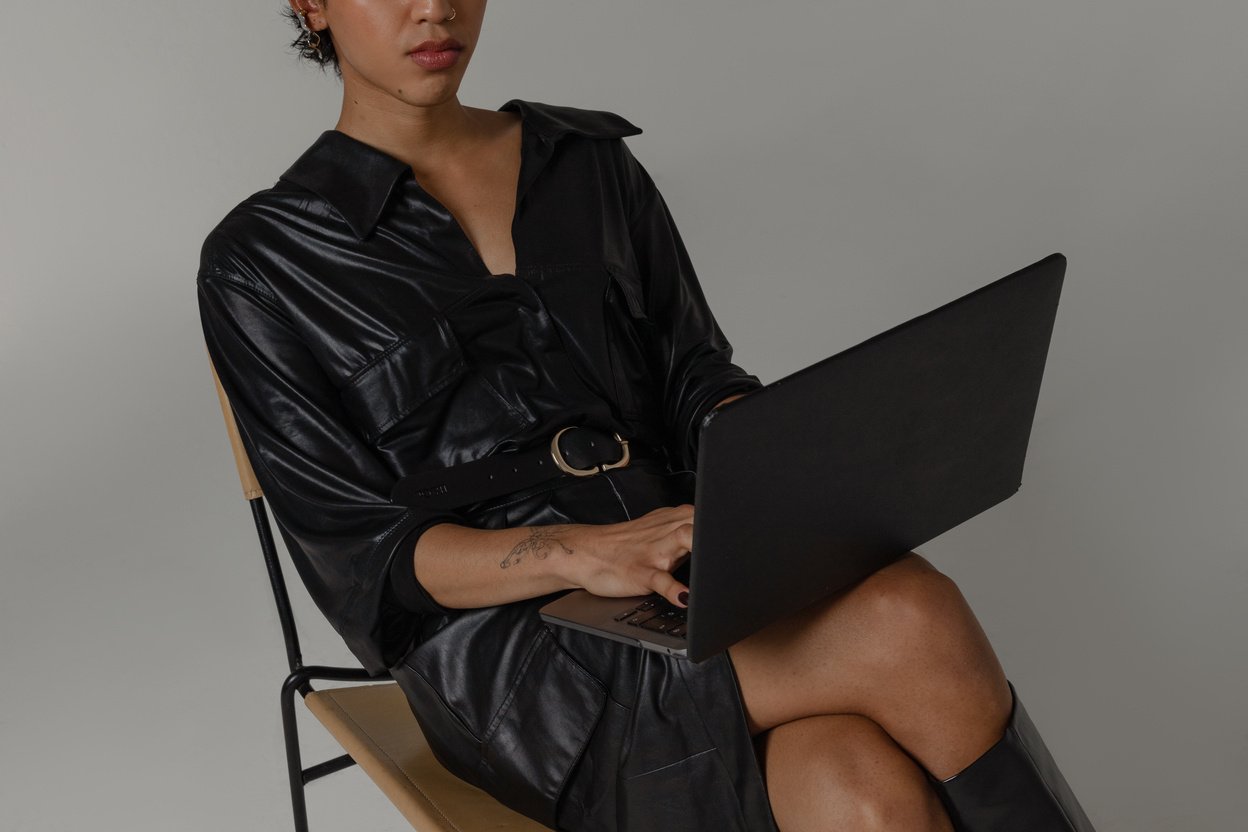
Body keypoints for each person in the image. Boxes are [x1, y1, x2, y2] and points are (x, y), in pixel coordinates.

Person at [196, 2, 1099, 830]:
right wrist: (582, 551)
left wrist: (774, 463)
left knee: (856, 790)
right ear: (311, 3)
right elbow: (367, 557)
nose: (434, 6)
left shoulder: (586, 164)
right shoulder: (264, 262)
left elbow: (694, 372)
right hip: (514, 661)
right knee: (908, 617)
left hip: (691, 567)